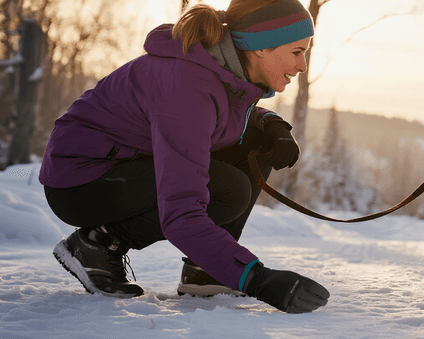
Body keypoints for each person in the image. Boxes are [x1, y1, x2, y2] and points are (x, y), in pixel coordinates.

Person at [40, 0, 329, 314]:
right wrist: (256, 278)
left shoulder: (219, 70)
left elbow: (215, 111)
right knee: (227, 188)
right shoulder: (186, 84)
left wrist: (267, 121)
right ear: (261, 46)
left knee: (259, 142)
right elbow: (182, 212)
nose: (302, 66)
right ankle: (97, 244)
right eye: (297, 52)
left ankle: (205, 272)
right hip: (82, 180)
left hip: (125, 165)